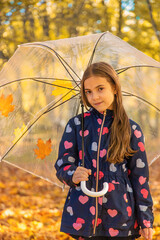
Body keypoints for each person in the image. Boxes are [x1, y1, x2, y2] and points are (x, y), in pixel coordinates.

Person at [55, 62, 154, 240]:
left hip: (120, 213)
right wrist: (72, 174)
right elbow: (62, 165)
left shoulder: (131, 129)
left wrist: (146, 219)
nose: (94, 97)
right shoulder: (76, 125)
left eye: (100, 89)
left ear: (114, 88)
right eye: (88, 91)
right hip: (83, 212)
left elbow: (140, 178)